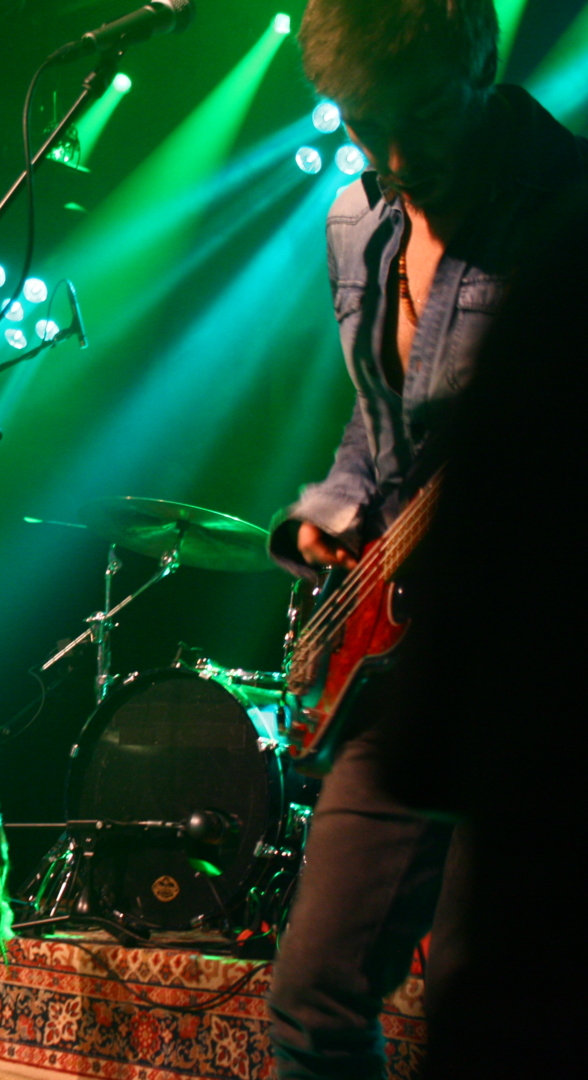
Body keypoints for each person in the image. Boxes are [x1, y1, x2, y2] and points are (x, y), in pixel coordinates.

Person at [266, 3, 588, 1078]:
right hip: (404, 654)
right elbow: (381, 426)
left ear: (481, 65)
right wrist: (331, 513)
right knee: (311, 999)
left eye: (426, 115)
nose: (398, 158)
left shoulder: (566, 208)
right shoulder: (356, 222)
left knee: (487, 1007)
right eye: (368, 124)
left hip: (547, 667)